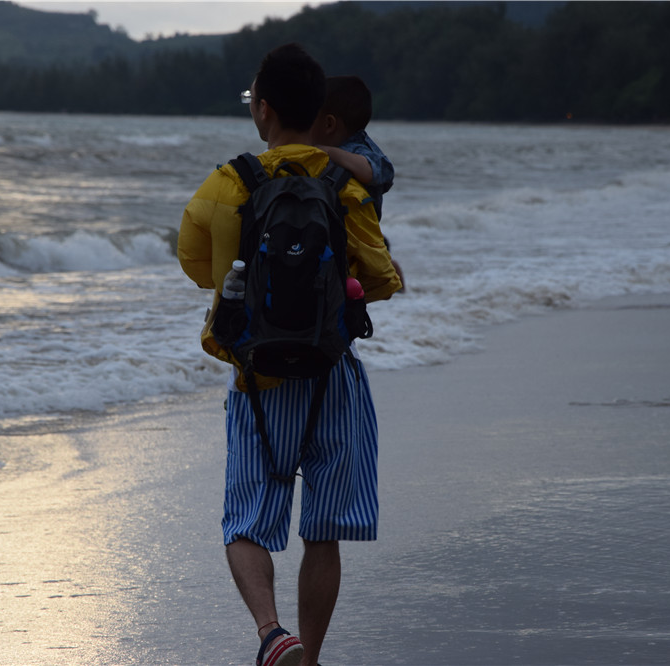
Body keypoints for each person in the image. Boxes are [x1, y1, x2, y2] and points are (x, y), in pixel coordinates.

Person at [177, 44, 401, 666]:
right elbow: (380, 278)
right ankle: (312, 656)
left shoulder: (231, 181)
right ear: (318, 112)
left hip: (258, 377)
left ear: (265, 110)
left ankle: (274, 634)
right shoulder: (343, 183)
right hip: (332, 374)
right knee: (323, 529)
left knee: (247, 521)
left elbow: (195, 263)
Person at [312, 75, 404, 289]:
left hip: (360, 241)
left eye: (309, 118)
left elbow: (380, 171)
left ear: (328, 124)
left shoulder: (358, 147)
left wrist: (329, 152)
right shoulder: (335, 143)